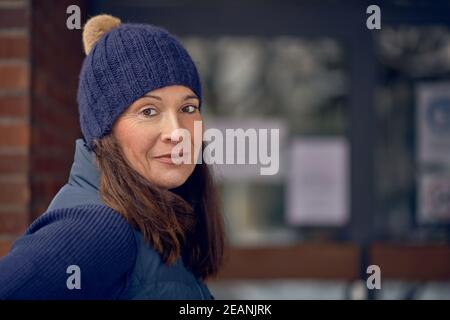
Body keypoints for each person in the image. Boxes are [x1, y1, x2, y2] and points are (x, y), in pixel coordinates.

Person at [0, 14, 225, 300]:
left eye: (188, 108)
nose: (177, 132)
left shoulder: (156, 218)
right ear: (106, 132)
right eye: (148, 111)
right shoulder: (98, 228)